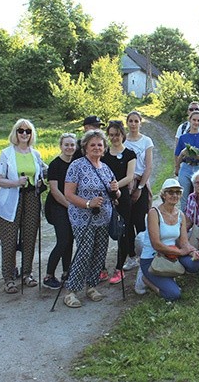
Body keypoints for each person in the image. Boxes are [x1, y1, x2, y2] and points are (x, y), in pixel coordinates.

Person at [62, 129, 120, 308]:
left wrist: (116, 189)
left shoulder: (106, 168)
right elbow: (69, 194)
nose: (96, 148)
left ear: (104, 148)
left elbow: (115, 196)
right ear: (85, 147)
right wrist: (88, 203)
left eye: (100, 145)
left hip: (103, 218)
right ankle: (71, 291)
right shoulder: (77, 166)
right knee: (84, 252)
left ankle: (92, 286)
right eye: (92, 145)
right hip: (82, 218)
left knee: (100, 252)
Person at [0, 119, 46, 294]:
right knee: (9, 240)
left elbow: (44, 170)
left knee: (30, 236)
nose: (24, 134)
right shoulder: (6, 153)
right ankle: (8, 278)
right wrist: (15, 182)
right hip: (11, 199)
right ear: (15, 133)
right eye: (20, 131)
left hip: (32, 197)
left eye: (28, 131)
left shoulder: (35, 154)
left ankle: (27, 273)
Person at [139, 178, 199, 301]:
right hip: (153, 257)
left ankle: (168, 274)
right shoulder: (154, 213)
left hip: (172, 254)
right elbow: (156, 244)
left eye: (178, 192)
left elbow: (184, 242)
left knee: (197, 264)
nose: (174, 195)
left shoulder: (180, 215)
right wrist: (180, 252)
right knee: (173, 294)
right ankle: (146, 279)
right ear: (163, 194)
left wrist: (192, 251)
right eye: (170, 192)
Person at [102, 120, 136, 284]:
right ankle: (100, 268)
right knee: (102, 232)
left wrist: (115, 186)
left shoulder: (130, 154)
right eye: (111, 135)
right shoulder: (104, 154)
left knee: (123, 231)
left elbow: (130, 177)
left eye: (117, 134)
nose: (114, 138)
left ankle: (119, 267)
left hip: (123, 197)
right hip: (104, 197)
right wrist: (108, 189)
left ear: (123, 134)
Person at [42, 133, 76, 289]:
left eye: (72, 145)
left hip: (71, 205)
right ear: (61, 146)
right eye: (66, 145)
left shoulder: (75, 163)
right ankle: (49, 276)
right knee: (62, 240)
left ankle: (66, 272)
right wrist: (70, 206)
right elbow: (54, 190)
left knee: (69, 240)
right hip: (57, 206)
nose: (69, 148)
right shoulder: (55, 164)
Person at [123, 111, 154, 271]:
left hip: (141, 182)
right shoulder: (123, 141)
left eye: (136, 121)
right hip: (127, 183)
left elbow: (148, 166)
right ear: (127, 123)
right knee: (127, 222)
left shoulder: (146, 141)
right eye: (131, 121)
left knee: (140, 220)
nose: (133, 124)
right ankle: (131, 256)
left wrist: (140, 187)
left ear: (140, 123)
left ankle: (145, 254)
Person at [174, 110, 199, 210]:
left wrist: (195, 155)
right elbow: (178, 155)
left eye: (198, 120)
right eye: (194, 120)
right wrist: (177, 166)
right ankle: (184, 221)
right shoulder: (183, 138)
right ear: (190, 120)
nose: (196, 122)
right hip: (186, 167)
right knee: (184, 196)